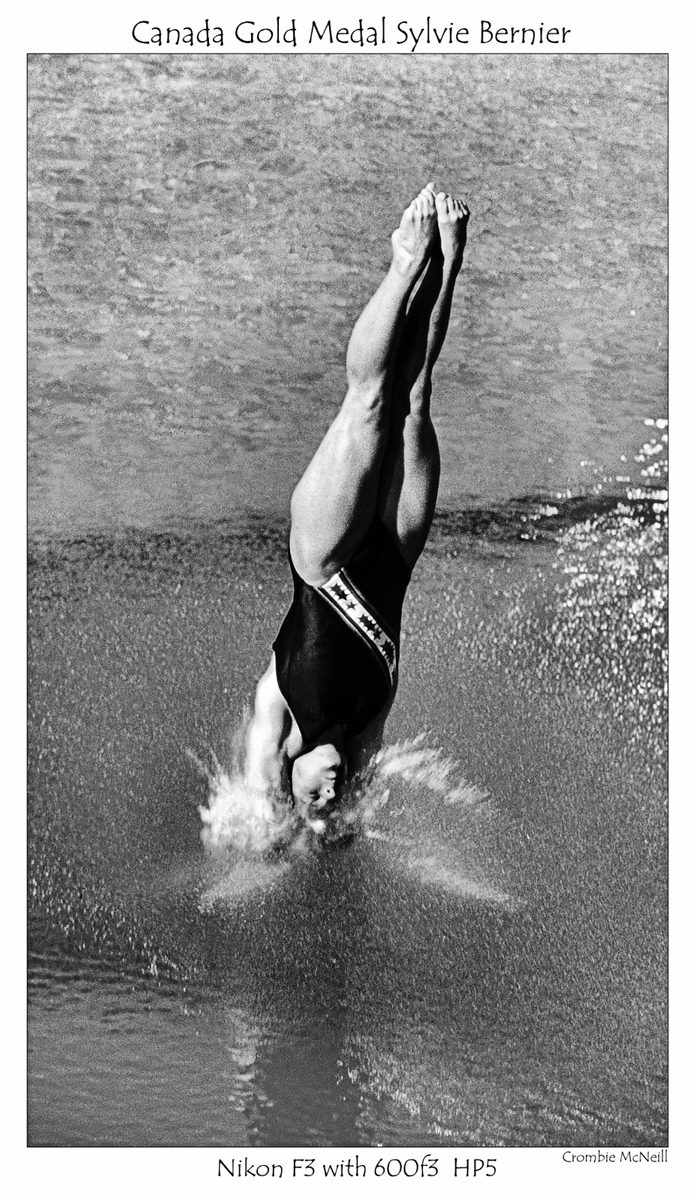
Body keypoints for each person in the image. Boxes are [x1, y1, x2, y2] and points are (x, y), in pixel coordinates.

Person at [244, 184, 469, 833]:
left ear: (290, 777)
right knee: (414, 397)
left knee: (369, 401)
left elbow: (257, 817)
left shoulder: (277, 721)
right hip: (394, 555)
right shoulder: (367, 737)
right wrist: (332, 833)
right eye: (334, 804)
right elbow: (348, 830)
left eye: (311, 797)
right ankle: (447, 262)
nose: (329, 793)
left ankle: (405, 258)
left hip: (326, 558)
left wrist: (271, 830)